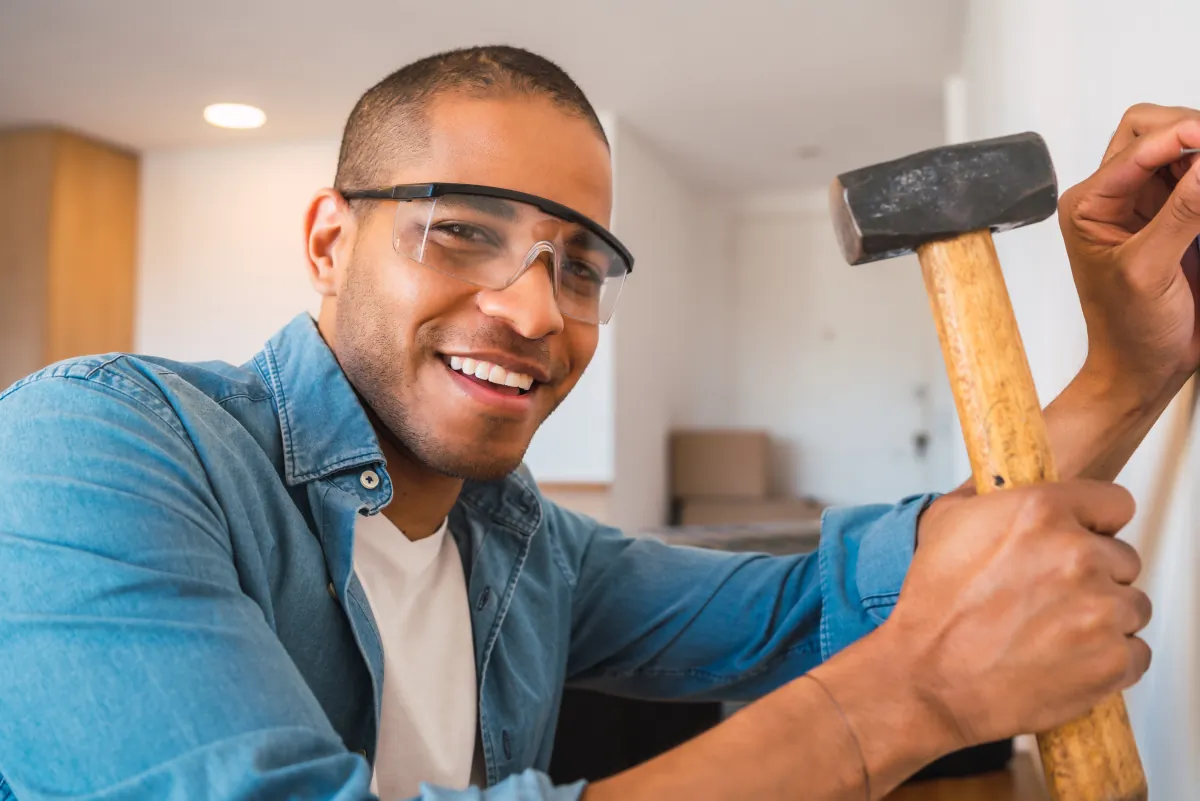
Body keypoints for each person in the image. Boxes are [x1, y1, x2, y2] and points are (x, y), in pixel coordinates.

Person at [0, 46, 1198, 801]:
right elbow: (905, 651)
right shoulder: (91, 449)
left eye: (579, 266)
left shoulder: (523, 548)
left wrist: (1127, 371)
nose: (534, 311)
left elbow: (838, 601)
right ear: (328, 240)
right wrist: (912, 700)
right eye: (460, 230)